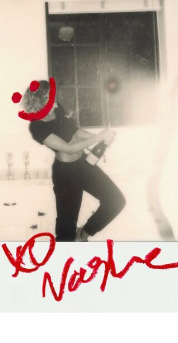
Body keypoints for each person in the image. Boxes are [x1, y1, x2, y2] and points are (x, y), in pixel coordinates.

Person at [23, 80, 126, 241]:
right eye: (51, 100)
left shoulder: (57, 109)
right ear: (40, 100)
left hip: (84, 165)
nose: (56, 105)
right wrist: (98, 137)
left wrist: (102, 138)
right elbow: (68, 148)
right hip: (66, 174)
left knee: (116, 201)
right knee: (66, 230)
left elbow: (76, 132)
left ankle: (82, 235)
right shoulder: (36, 127)